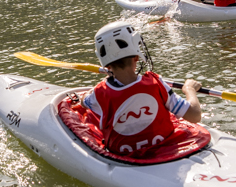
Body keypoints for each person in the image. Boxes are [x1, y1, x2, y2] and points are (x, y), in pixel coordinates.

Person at [81, 21, 202, 158]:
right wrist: (189, 89)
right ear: (137, 57)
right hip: (165, 150)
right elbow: (195, 115)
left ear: (107, 66)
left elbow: (83, 102)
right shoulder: (155, 82)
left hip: (124, 157)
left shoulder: (98, 93)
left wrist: (98, 86)